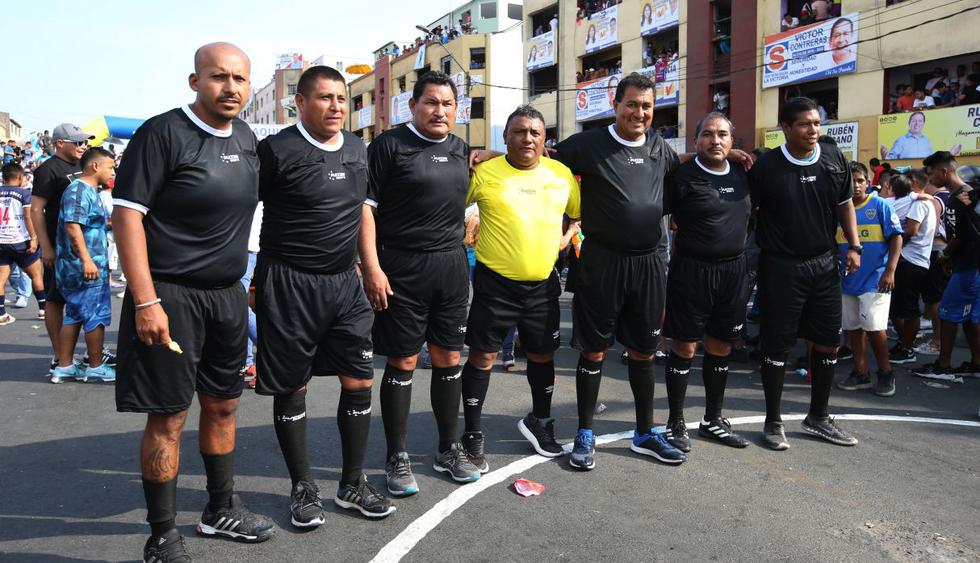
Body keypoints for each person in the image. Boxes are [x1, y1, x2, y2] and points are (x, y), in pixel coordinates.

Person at [113, 43, 274, 562]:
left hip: (226, 295)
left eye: (240, 79)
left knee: (224, 404)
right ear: (194, 81)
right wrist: (145, 301)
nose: (231, 88)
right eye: (218, 77)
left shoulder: (246, 137)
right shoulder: (162, 133)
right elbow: (127, 216)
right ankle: (161, 536)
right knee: (169, 417)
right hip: (170, 295)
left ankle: (220, 508)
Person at [254, 65, 393, 522]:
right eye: (325, 97)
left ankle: (352, 484)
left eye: (342, 98)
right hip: (289, 283)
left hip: (344, 283)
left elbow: (361, 211)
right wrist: (246, 276)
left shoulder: (356, 147)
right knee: (293, 386)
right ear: (301, 102)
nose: (336, 107)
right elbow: (239, 210)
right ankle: (303, 488)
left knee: (359, 380)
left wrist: (371, 267)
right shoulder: (276, 150)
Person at [360, 71, 480, 495]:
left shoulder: (461, 148)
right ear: (412, 106)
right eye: (431, 102)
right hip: (402, 268)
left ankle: (449, 449)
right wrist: (371, 268)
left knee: (449, 358)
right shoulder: (388, 146)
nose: (439, 111)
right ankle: (397, 456)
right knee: (404, 361)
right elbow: (365, 209)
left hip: (451, 268)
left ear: (457, 109)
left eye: (447, 104)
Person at [462, 105, 580, 466]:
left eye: (534, 132)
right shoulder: (484, 172)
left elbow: (576, 214)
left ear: (544, 140)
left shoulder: (561, 174)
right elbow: (450, 208)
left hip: (542, 286)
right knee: (483, 357)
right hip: (495, 284)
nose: (527, 138)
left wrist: (565, 238)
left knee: (543, 355)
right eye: (519, 131)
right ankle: (472, 432)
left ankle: (540, 421)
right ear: (505, 137)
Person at [750, 97, 862, 450]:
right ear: (785, 128)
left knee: (828, 341)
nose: (813, 130)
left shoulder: (833, 157)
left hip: (824, 264)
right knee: (778, 345)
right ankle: (773, 421)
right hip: (781, 267)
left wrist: (854, 246)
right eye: (804, 124)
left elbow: (845, 204)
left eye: (816, 123)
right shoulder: (767, 167)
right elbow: (747, 210)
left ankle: (819, 417)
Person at [659, 112, 753, 452]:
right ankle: (675, 421)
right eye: (708, 134)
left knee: (721, 346)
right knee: (684, 347)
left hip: (734, 273)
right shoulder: (681, 176)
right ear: (696, 139)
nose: (716, 140)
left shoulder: (744, 173)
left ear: (732, 140)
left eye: (722, 134)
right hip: (692, 271)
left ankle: (713, 419)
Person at [835, 162, 902, 396]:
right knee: (854, 328)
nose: (856, 185)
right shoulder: (839, 209)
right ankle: (860, 373)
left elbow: (896, 238)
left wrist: (890, 271)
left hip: (876, 279)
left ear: (868, 183)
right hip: (848, 280)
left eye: (860, 180)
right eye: (851, 181)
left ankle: (886, 373)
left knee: (875, 328)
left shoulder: (880, 205)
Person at [51, 148, 116, 384]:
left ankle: (65, 366)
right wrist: (87, 260)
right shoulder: (79, 190)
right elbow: (72, 226)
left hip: (81, 266)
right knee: (95, 315)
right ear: (95, 166)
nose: (113, 172)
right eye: (110, 167)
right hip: (85, 267)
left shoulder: (88, 191)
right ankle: (96, 366)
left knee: (75, 315)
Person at [913, 152, 980, 378]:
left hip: (969, 266)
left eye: (931, 174)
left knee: (947, 312)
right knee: (969, 317)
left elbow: (965, 235)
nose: (929, 179)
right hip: (966, 265)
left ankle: (943, 366)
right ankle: (976, 363)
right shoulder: (960, 196)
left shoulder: (964, 196)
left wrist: (945, 254)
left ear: (944, 171)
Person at [30, 123, 90, 374]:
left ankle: (91, 352)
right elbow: (36, 209)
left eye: (85, 142)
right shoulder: (48, 170)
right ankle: (59, 355)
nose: (83, 146)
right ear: (60, 143)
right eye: (78, 142)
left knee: (87, 298)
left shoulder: (84, 164)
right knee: (56, 298)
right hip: (59, 246)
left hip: (85, 245)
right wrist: (46, 246)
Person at [887, 171, 936, 365]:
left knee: (909, 309)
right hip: (908, 261)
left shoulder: (919, 203)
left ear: (913, 182)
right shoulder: (914, 201)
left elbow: (911, 231)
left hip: (911, 261)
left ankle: (907, 349)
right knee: (896, 309)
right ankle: (903, 343)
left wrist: (895, 245)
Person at [0, 163, 45, 326]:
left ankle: (1, 314)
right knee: (36, 275)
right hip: (20, 240)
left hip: (2, 241)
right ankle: (43, 309)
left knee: (1, 279)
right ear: (19, 177)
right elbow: (28, 216)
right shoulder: (24, 193)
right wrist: (34, 237)